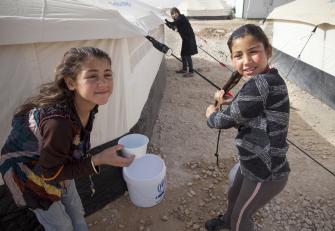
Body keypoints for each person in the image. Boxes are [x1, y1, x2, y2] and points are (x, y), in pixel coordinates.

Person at [0, 47, 135, 230]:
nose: (103, 82)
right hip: (29, 174)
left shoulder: (87, 106)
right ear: (71, 83)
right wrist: (98, 159)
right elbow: (49, 173)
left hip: (57, 163)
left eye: (107, 74)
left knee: (75, 209)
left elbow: (61, 159)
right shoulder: (59, 124)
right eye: (92, 76)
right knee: (60, 225)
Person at [205, 24, 290, 231]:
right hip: (251, 160)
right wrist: (228, 103)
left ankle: (232, 223)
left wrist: (211, 114)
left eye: (253, 52)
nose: (246, 61)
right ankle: (226, 222)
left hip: (266, 171)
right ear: (232, 59)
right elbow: (249, 107)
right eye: (238, 55)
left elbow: (226, 120)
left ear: (267, 51)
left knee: (241, 216)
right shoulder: (267, 79)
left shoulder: (261, 84)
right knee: (233, 195)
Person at [165, 7, 198, 78]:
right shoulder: (178, 20)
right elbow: (175, 28)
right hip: (186, 39)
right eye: (172, 14)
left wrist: (166, 21)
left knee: (187, 54)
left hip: (189, 39)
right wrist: (168, 25)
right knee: (183, 54)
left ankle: (191, 71)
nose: (174, 15)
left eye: (175, 13)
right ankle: (184, 69)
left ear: (178, 12)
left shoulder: (181, 17)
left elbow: (173, 23)